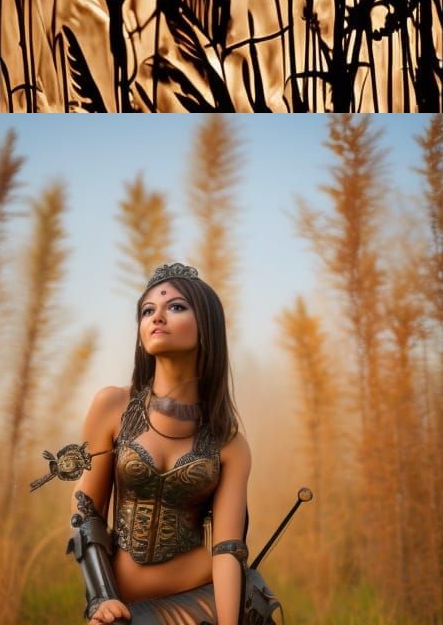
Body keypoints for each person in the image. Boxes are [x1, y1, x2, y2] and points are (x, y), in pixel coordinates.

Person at [68, 263, 281, 625]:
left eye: (176, 307)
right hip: (118, 608)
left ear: (208, 328)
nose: (158, 317)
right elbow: (85, 513)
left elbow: (228, 550)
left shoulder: (230, 444)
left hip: (203, 603)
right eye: (148, 310)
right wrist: (99, 598)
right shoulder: (112, 407)